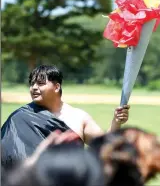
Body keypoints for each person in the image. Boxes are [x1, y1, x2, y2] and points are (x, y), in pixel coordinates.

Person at [1, 64, 130, 167]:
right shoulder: (19, 118)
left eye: (40, 83)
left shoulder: (79, 117)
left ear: (57, 87)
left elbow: (104, 146)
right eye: (32, 83)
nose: (34, 88)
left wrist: (116, 122)